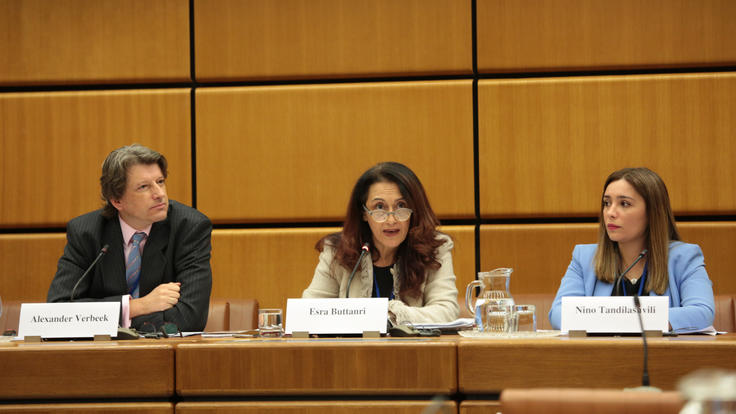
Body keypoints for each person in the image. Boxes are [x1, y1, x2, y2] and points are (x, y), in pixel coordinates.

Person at [48, 144, 212, 331]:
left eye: (160, 182)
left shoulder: (189, 227)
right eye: (143, 187)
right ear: (117, 200)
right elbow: (58, 313)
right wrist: (137, 306)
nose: (160, 194)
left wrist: (110, 318)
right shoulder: (86, 232)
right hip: (103, 348)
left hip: (163, 348)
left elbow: (189, 319)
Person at [549, 167, 715, 332]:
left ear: (652, 212)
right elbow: (558, 314)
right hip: (602, 350)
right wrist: (638, 320)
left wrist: (617, 320)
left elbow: (702, 312)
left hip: (658, 350)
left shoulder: (684, 258)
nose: (610, 213)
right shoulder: (585, 258)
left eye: (624, 204)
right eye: (607, 203)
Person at [302, 162, 460, 325]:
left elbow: (447, 311)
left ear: (414, 211)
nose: (391, 220)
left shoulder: (434, 249)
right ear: (364, 213)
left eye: (401, 206)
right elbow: (307, 312)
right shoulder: (338, 251)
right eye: (379, 207)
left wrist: (391, 314)